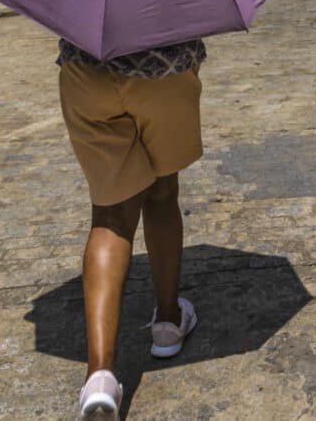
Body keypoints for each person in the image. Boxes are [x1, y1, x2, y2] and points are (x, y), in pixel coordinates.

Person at [61, 39, 204, 420]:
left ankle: (100, 376)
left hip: (87, 73)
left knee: (110, 218)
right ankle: (169, 322)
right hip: (164, 70)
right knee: (161, 196)